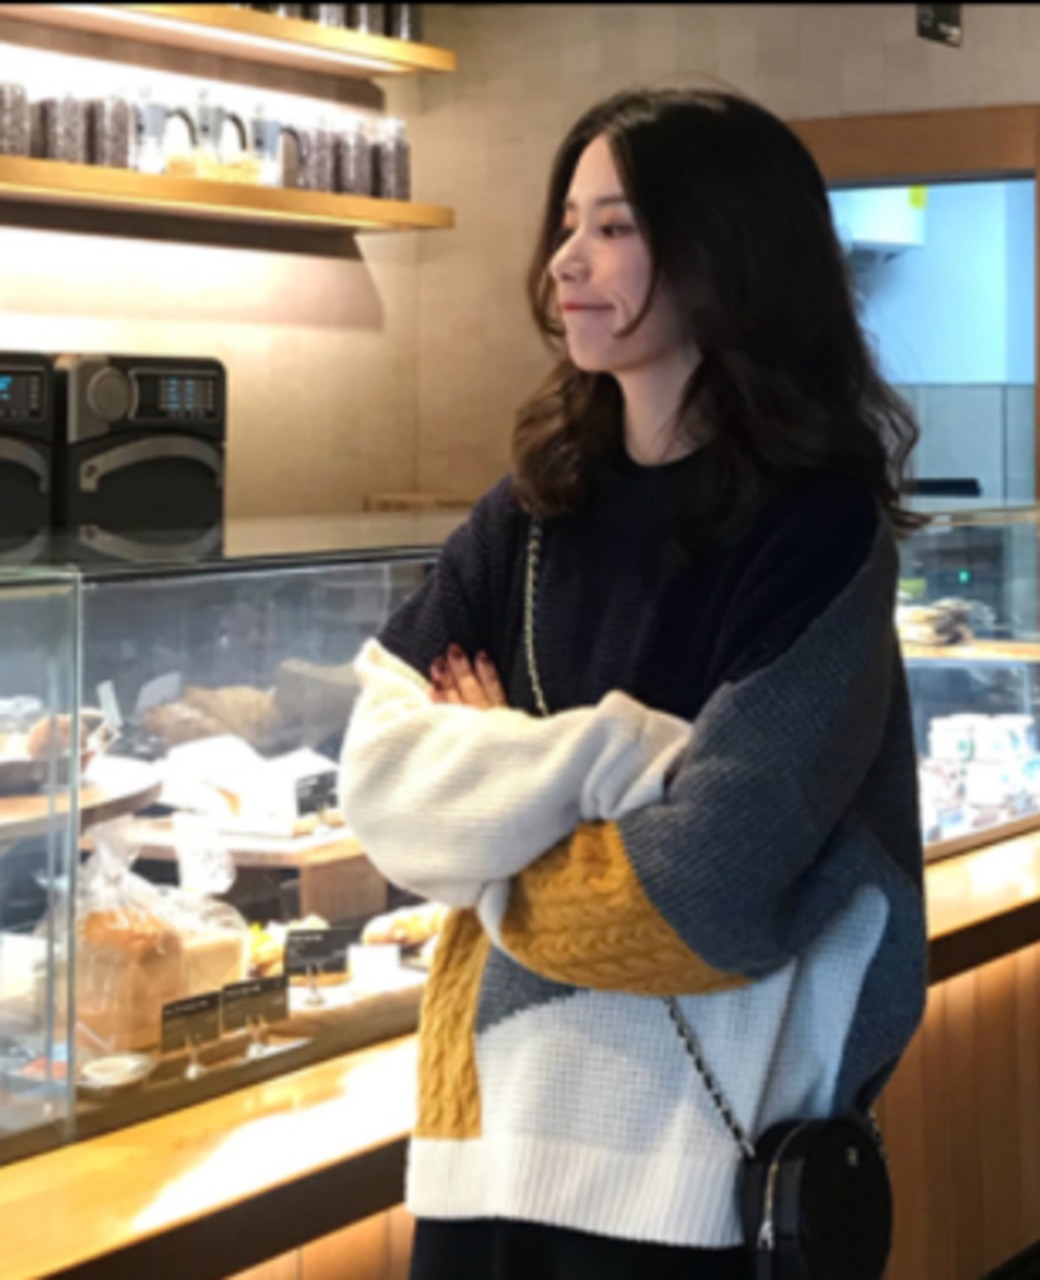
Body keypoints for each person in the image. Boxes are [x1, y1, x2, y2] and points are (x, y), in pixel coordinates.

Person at [340, 85, 928, 1280]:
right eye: (567, 223)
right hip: (488, 1143)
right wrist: (624, 762)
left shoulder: (814, 531)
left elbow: (699, 895)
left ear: (724, 254)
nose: (565, 259)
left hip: (700, 1174)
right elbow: (383, 792)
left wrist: (489, 821)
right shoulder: (525, 515)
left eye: (612, 226)